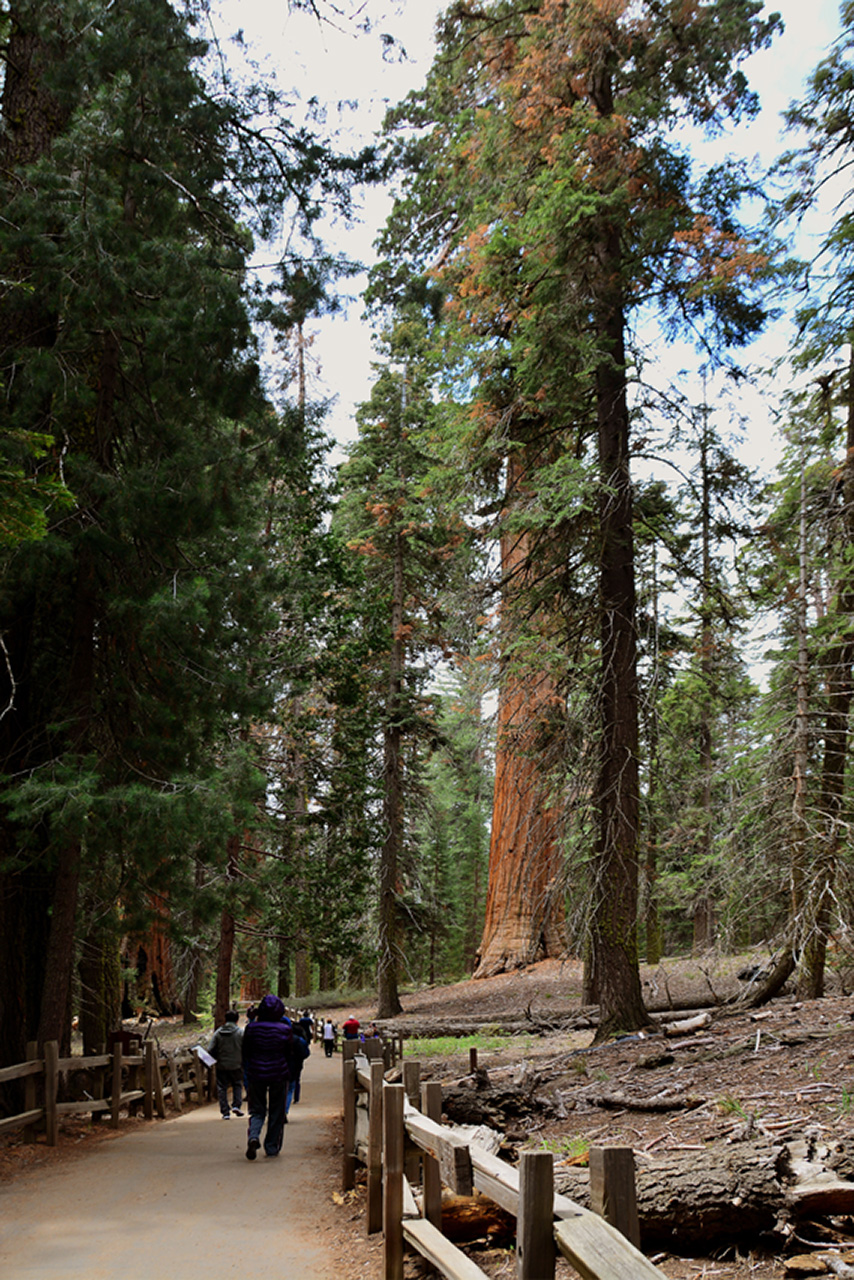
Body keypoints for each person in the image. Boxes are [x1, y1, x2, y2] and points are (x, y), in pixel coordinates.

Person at [241, 993, 293, 1160]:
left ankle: (254, 1136)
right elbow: (289, 1053)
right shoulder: (285, 1030)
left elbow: (245, 1052)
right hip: (279, 1073)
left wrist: (247, 1070)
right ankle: (271, 1146)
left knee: (257, 1109)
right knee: (277, 1111)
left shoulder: (251, 1029)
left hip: (256, 1073)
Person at [208, 1010, 244, 1119]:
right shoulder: (240, 1033)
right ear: (237, 1020)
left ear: (225, 1019)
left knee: (222, 1087)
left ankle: (225, 1112)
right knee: (237, 1084)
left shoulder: (218, 1032)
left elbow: (210, 1049)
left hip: (221, 1065)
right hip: (237, 1064)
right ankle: (236, 1105)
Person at [285, 1020, 311, 1111]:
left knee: (283, 1087)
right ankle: (295, 1098)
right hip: (297, 1065)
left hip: (283, 1065)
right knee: (294, 1083)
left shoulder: (284, 1038)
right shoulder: (300, 1041)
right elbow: (306, 1053)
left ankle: (281, 1109)